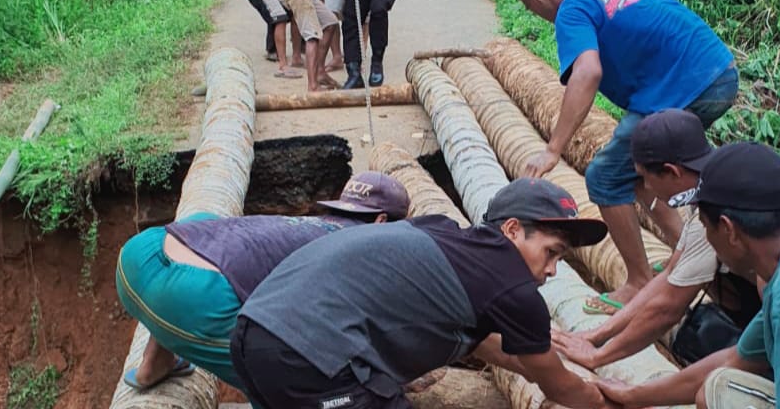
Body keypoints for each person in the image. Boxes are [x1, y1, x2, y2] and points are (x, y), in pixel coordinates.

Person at [231, 178, 615, 409]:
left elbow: (489, 345)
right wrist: (608, 399)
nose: (551, 270)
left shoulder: (448, 237)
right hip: (309, 355)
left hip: (253, 332)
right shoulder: (513, 288)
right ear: (513, 229)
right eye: (551, 252)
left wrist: (543, 362)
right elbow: (557, 386)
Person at [552, 109, 780, 374]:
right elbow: (670, 277)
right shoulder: (725, 180)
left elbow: (667, 306)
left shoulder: (723, 210)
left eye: (646, 178)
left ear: (671, 172)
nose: (647, 190)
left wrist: (597, 356)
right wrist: (594, 336)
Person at [511, 0, 739, 313]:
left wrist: (554, 148)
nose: (535, 14)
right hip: (715, 70)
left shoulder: (571, 10)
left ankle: (638, 283)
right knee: (637, 171)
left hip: (688, 85)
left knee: (603, 176)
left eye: (528, 7)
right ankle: (689, 253)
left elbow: (587, 72)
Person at [587, 143, 780, 409]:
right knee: (717, 390)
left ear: (728, 230)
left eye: (705, 225)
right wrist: (632, 396)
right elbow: (735, 360)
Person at [115, 172, 409, 399]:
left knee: (211, 228)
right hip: (197, 300)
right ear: (382, 222)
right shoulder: (357, 250)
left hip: (138, 259)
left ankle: (154, 364)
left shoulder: (302, 225)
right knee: (291, 380)